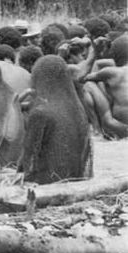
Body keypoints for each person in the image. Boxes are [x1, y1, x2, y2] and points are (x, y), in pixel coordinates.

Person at [22, 55, 92, 184]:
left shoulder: (40, 113)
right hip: (77, 181)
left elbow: (29, 159)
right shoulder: (77, 109)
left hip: (49, 184)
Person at [80, 34, 128, 138]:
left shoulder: (112, 72)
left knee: (88, 85)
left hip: (120, 127)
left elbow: (82, 78)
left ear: (115, 55)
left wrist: (94, 51)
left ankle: (97, 130)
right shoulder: (114, 71)